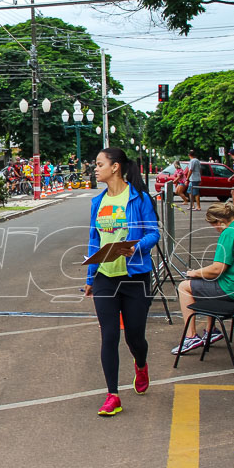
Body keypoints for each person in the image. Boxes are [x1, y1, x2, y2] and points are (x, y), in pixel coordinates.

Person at [84, 147, 160, 417]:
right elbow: (94, 240)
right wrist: (91, 276)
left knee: (135, 336)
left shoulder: (139, 199)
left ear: (115, 167)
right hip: (105, 276)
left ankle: (141, 364)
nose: (95, 168)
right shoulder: (97, 202)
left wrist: (137, 246)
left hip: (135, 276)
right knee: (109, 335)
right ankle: (112, 395)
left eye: (99, 164)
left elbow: (153, 233)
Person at [172, 202, 234, 354]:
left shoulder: (229, 233)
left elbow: (217, 269)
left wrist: (195, 273)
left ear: (220, 222)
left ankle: (190, 336)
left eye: (214, 225)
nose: (215, 230)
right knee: (206, 283)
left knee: (184, 286)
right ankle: (211, 330)